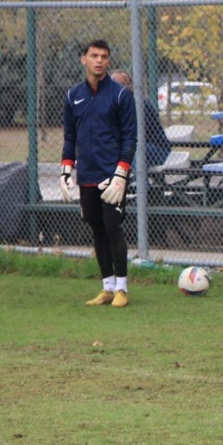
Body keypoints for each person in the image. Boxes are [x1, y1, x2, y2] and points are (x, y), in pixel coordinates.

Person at [61, 40, 138, 308]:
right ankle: (107, 287)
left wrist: (121, 173)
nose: (99, 61)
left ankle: (122, 288)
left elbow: (130, 137)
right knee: (95, 226)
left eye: (104, 56)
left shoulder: (120, 95)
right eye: (94, 56)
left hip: (111, 175)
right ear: (84, 59)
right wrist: (65, 170)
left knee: (112, 226)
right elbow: (70, 136)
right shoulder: (73, 96)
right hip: (87, 175)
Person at [110, 69, 171, 169]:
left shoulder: (139, 104)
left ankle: (142, 184)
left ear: (129, 86)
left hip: (158, 150)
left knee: (133, 150)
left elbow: (135, 133)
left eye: (120, 84)